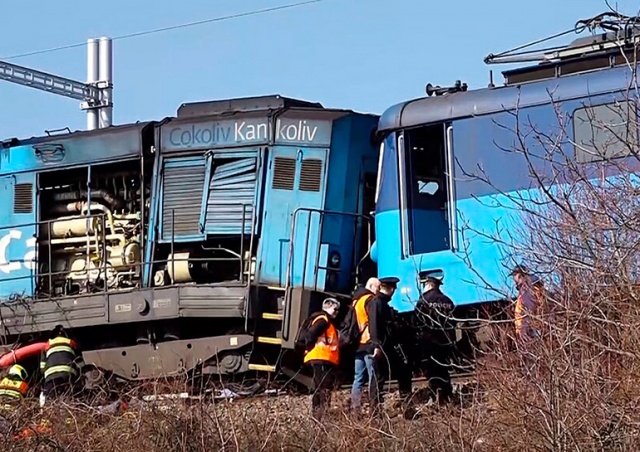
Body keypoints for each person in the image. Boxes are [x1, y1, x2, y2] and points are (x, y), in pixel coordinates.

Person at [350, 276, 399, 415]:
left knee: (358, 378)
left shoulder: (356, 301)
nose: (378, 291)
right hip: (369, 343)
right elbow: (374, 323)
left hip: (358, 343)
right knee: (375, 376)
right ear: (372, 287)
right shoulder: (371, 301)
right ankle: (374, 410)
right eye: (377, 287)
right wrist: (376, 343)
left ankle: (355, 410)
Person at [416, 271, 456, 405]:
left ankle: (435, 396)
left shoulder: (423, 301)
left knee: (431, 371)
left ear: (428, 284)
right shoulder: (448, 301)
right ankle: (447, 396)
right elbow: (453, 322)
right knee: (444, 369)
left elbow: (418, 322)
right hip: (445, 341)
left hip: (429, 342)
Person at [303, 297, 342, 420]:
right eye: (335, 309)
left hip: (319, 357)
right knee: (324, 388)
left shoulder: (321, 319)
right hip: (322, 357)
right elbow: (310, 336)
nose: (337, 312)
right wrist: (310, 345)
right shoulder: (323, 320)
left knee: (319, 387)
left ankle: (317, 415)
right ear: (328, 307)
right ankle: (321, 416)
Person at [40, 327, 85, 400]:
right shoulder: (71, 343)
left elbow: (42, 368)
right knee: (70, 398)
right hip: (68, 375)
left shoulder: (46, 346)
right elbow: (81, 365)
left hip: (52, 377)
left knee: (51, 400)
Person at [510, 265, 541, 341]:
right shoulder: (527, 288)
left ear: (520, 275)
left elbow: (528, 310)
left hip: (531, 332)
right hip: (531, 329)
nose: (514, 279)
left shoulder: (527, 290)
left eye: (514, 275)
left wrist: (524, 331)